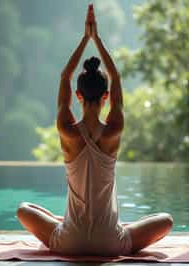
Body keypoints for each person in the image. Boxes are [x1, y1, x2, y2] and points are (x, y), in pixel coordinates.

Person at [16, 4, 173, 256]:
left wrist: (84, 39)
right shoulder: (114, 130)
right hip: (111, 243)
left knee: (23, 209)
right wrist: (97, 39)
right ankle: (110, 228)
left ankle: (65, 223)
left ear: (78, 95)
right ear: (106, 97)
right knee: (165, 219)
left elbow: (65, 76)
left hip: (69, 242)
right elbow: (116, 76)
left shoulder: (66, 130)